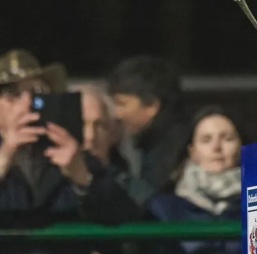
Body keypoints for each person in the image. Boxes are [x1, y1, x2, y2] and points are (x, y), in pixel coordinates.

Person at [0, 49, 137, 253]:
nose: (27, 104)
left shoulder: (69, 150)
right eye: (14, 95)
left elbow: (124, 218)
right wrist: (5, 156)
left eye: (38, 93)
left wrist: (81, 176)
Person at [148, 105, 244, 254]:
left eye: (227, 139)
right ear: (192, 151)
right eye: (206, 140)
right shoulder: (163, 208)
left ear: (241, 147)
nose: (216, 147)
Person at [107, 54, 190, 207]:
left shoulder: (175, 151)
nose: (117, 114)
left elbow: (153, 204)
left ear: (151, 105)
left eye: (122, 104)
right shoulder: (156, 144)